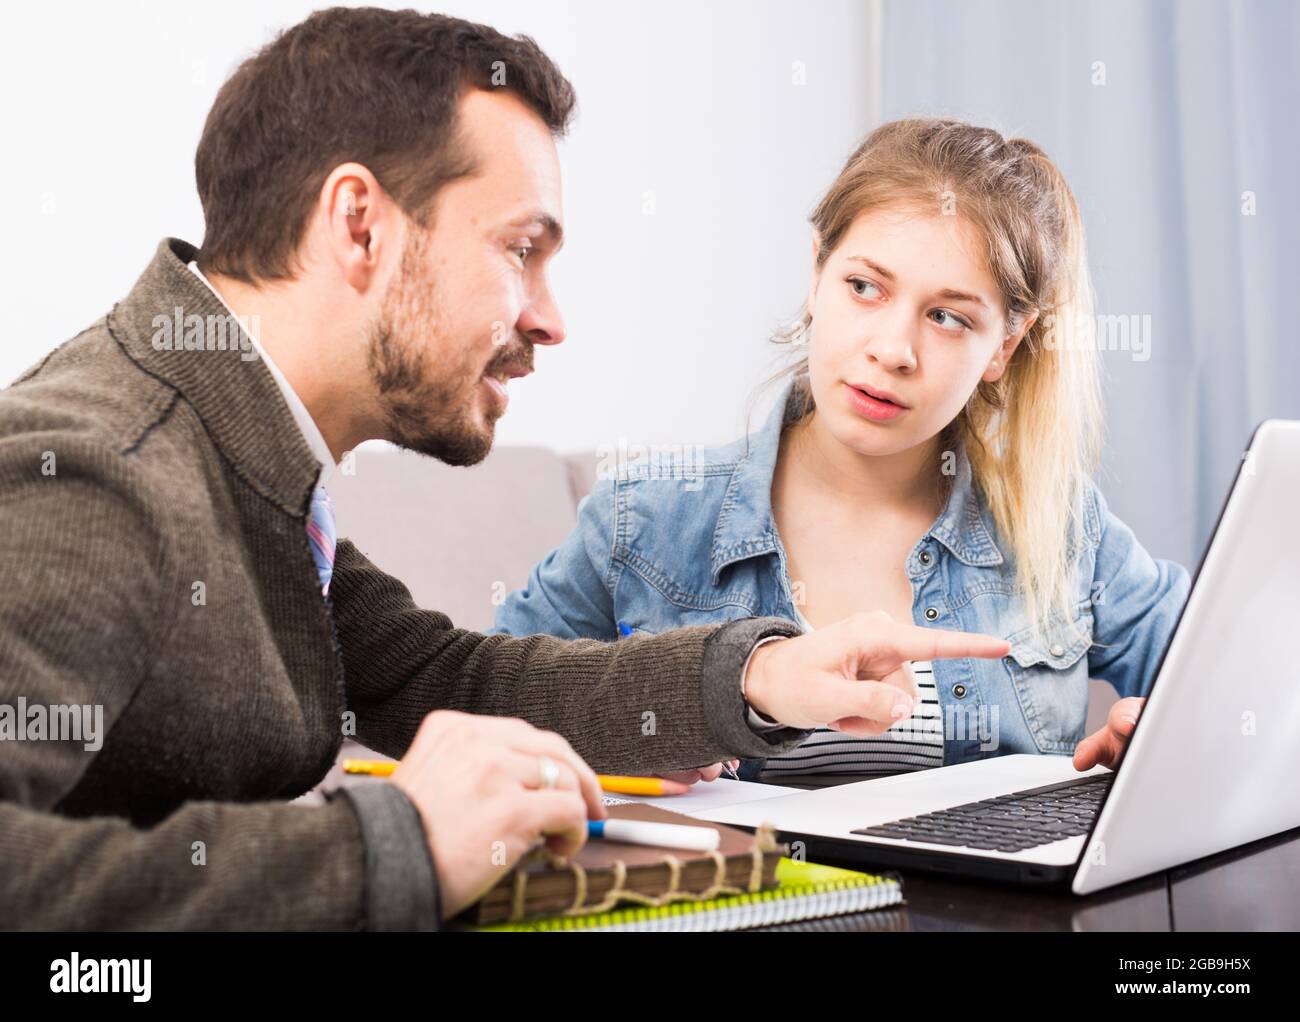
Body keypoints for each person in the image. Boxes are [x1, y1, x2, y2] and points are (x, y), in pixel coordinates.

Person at [0, 9, 1012, 930]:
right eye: (521, 248)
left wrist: (754, 676)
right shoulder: (101, 477)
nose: (550, 317)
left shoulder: (245, 455)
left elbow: (447, 677)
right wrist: (393, 843)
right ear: (359, 226)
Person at [494, 118, 1189, 789]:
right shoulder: (640, 519)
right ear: (817, 276)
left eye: (949, 317)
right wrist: (614, 739)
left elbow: (1233, 685)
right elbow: (483, 710)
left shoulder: (1064, 526)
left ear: (1003, 347)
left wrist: (1160, 732)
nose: (892, 350)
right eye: (865, 286)